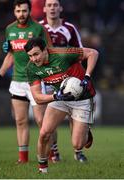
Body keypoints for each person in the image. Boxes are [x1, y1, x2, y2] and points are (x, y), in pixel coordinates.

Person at [24, 37, 98, 173]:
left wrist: (87, 76)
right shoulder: (31, 68)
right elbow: (37, 97)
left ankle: (86, 130)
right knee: (44, 133)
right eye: (30, 56)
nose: (33, 59)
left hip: (83, 98)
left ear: (45, 50)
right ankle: (43, 168)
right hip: (60, 97)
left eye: (36, 54)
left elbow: (93, 53)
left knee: (78, 144)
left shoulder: (62, 54)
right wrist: (55, 96)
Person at [0, 0, 51, 164]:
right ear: (14, 12)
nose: (21, 14)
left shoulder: (38, 28)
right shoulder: (9, 29)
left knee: (41, 122)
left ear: (30, 11)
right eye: (18, 11)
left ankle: (50, 155)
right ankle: (23, 158)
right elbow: (10, 55)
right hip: (17, 82)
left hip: (36, 81)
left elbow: (48, 52)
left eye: (24, 11)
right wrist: (0, 74)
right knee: (20, 121)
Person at [39, 0, 83, 162]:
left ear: (60, 8)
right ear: (44, 8)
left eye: (55, 5)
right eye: (49, 5)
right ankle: (54, 151)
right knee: (48, 118)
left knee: (73, 115)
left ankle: (78, 152)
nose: (52, 8)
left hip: (69, 78)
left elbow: (80, 52)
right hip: (48, 78)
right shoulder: (38, 28)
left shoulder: (70, 28)